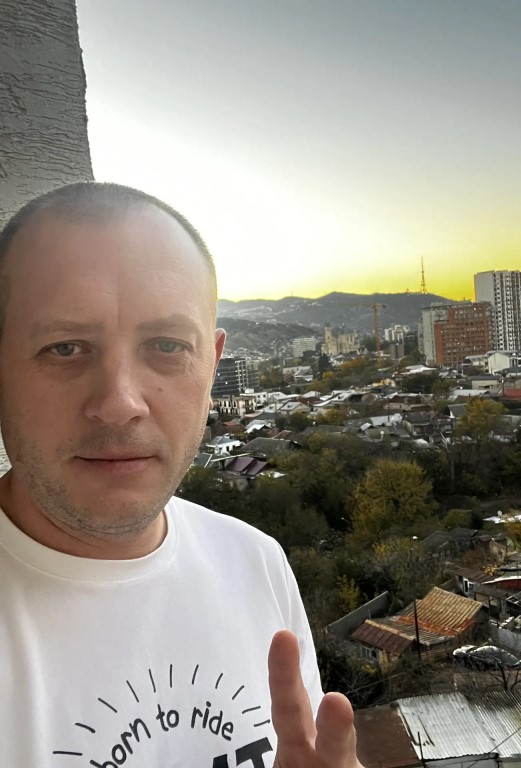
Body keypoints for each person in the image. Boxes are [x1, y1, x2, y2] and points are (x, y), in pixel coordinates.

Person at [0, 182, 362, 767]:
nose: (120, 403)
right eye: (65, 348)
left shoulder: (256, 562)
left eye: (167, 346)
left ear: (212, 365)